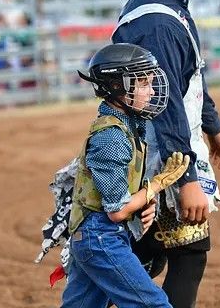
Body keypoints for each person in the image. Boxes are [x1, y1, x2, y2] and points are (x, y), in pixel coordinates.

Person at [111, 0, 220, 307]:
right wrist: (186, 180)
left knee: (145, 257)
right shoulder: (160, 24)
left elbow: (187, 78)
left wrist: (212, 125)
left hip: (147, 153)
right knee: (186, 252)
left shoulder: (156, 9)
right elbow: (163, 108)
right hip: (159, 158)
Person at [59, 43, 190, 308]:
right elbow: (117, 211)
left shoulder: (127, 127)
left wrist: (147, 201)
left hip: (95, 237)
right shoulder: (112, 137)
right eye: (143, 83)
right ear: (117, 86)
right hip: (102, 238)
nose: (152, 91)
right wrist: (156, 185)